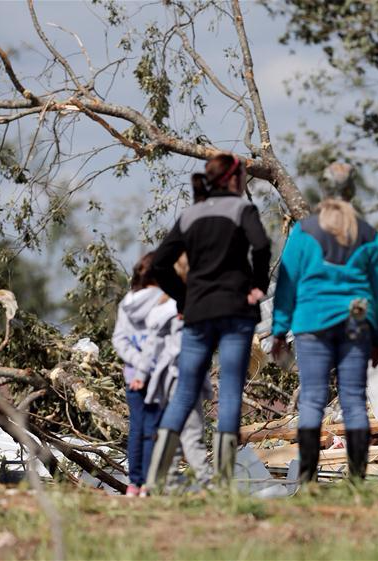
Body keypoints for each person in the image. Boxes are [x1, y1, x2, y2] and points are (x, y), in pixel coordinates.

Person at [145, 153, 271, 490]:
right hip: (235, 312)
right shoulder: (242, 209)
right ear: (233, 178)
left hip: (198, 313)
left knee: (184, 392)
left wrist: (183, 298)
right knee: (229, 392)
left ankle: (157, 476)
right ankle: (224, 482)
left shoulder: (190, 215)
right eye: (244, 173)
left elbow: (159, 264)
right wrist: (258, 286)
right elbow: (262, 245)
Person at [270, 165, 378, 484]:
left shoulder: (304, 231)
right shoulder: (367, 234)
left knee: (311, 398)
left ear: (322, 192)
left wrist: (279, 329)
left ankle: (307, 479)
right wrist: (377, 336)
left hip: (312, 323)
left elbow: (287, 283)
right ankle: (358, 480)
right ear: (351, 192)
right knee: (353, 398)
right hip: (356, 324)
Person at [136, 254, 213, 487]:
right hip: (183, 377)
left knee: (178, 429)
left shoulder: (166, 307)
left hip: (176, 378)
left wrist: (142, 374)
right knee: (190, 432)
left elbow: (151, 345)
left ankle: (165, 479)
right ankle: (208, 482)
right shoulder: (181, 307)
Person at [112, 252, 166, 496]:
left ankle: (134, 483)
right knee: (153, 429)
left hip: (132, 375)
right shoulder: (164, 300)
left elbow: (119, 339)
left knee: (136, 428)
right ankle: (148, 483)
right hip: (158, 374)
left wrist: (135, 362)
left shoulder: (127, 302)